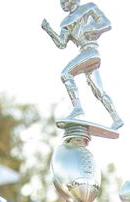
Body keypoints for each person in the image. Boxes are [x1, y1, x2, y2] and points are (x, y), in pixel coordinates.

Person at [42, 1, 123, 129]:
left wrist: (93, 29)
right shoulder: (65, 22)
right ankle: (117, 119)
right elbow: (62, 43)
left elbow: (107, 24)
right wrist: (49, 30)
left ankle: (77, 108)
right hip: (86, 55)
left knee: (66, 74)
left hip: (91, 51)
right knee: (98, 91)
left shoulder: (89, 7)